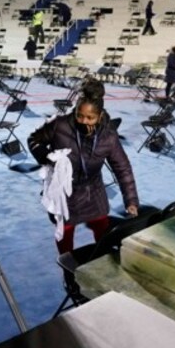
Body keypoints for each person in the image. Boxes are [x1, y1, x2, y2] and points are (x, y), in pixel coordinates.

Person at [27, 78, 139, 257]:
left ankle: (103, 264)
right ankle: (68, 272)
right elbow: (33, 139)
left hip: (93, 192)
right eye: (80, 115)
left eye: (90, 118)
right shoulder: (60, 125)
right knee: (65, 236)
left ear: (100, 115)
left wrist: (131, 200)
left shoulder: (108, 136)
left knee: (103, 234)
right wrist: (46, 157)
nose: (84, 121)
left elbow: (122, 167)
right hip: (65, 194)